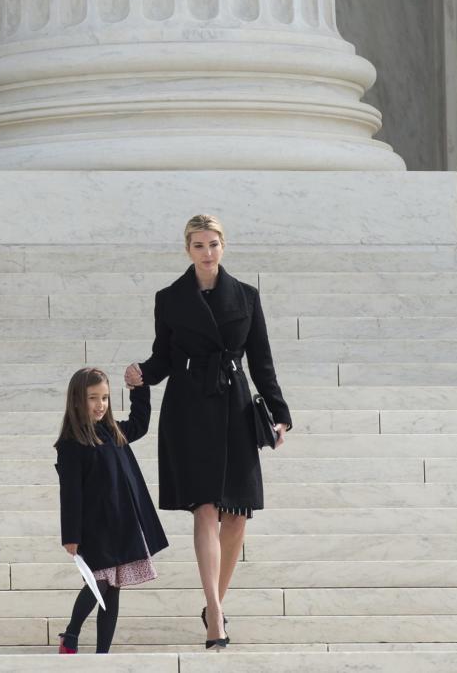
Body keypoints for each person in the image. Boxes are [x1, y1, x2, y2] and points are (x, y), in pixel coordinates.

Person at [125, 214, 291, 651]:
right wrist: (141, 373)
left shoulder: (247, 297)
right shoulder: (169, 298)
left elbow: (262, 360)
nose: (207, 252)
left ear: (223, 246)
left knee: (237, 515)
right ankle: (214, 612)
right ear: (188, 249)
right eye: (199, 245)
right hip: (189, 408)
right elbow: (164, 357)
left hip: (235, 407)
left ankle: (216, 598)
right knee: (205, 509)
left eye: (213, 243)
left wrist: (279, 413)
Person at [53, 367, 168, 654]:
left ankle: (103, 654)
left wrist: (139, 389)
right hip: (94, 529)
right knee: (99, 583)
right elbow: (70, 493)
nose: (100, 404)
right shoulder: (70, 444)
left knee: (113, 589)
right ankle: (71, 635)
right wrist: (71, 535)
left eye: (104, 397)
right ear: (78, 400)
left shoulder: (113, 431)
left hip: (121, 525)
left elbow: (140, 423)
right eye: (93, 398)